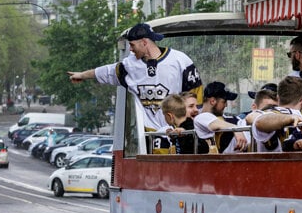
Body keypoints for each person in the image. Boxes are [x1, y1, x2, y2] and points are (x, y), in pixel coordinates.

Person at [67, 22, 203, 132]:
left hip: (177, 132)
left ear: (144, 42)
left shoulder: (180, 60)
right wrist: (82, 75)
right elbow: (105, 71)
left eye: (132, 45)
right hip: (147, 136)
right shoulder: (129, 65)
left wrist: (193, 126)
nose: (131, 49)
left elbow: (196, 94)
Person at [248, 76, 302, 152]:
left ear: (277, 98)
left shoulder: (266, 112)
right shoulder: (293, 114)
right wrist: (290, 118)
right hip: (283, 162)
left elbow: (250, 117)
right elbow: (259, 122)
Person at [194, 82, 248, 153]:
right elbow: (213, 124)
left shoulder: (231, 119)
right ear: (212, 101)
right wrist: (236, 129)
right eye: (224, 101)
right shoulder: (200, 117)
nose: (226, 105)